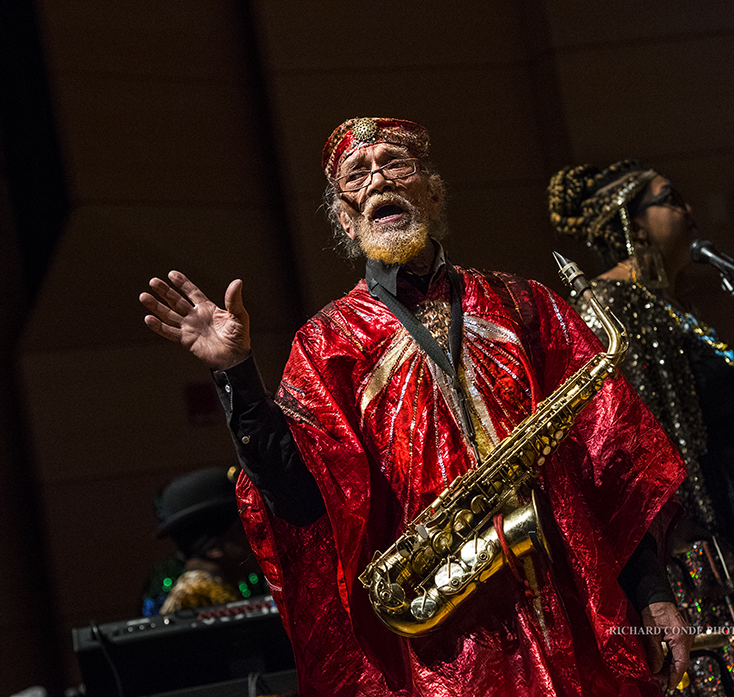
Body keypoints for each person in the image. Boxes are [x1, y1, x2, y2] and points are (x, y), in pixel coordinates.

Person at [141, 118, 691, 696]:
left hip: (572, 614)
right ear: (347, 219)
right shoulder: (327, 343)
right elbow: (298, 502)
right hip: (446, 647)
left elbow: (612, 467)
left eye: (396, 164)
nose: (379, 180)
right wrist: (235, 372)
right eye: (358, 173)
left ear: (431, 189)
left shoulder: (529, 306)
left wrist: (652, 597)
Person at [547, 161, 734, 695]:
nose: (688, 211)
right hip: (691, 539)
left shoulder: (669, 305)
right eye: (670, 198)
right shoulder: (607, 304)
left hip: (733, 516)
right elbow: (625, 446)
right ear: (632, 223)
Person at [141, 466, 264, 616]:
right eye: (244, 530)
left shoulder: (225, 587)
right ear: (214, 549)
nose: (258, 537)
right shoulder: (196, 600)